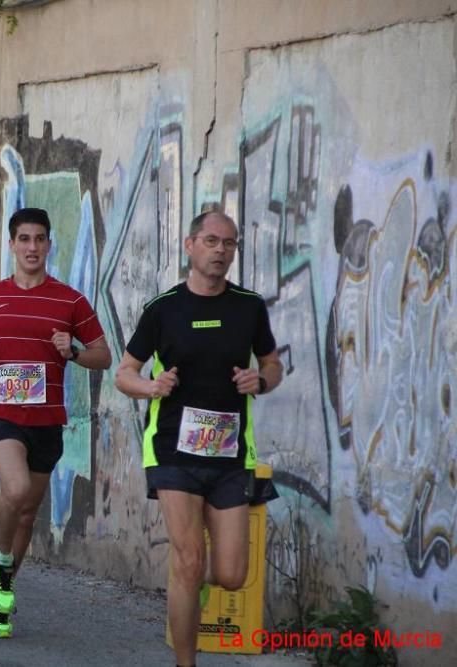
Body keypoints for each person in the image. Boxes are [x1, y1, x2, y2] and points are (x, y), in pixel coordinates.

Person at [114, 211, 283, 667]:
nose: (221, 250)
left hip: (229, 454)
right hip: (172, 449)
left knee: (230, 574)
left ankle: (186, 579)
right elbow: (124, 373)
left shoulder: (249, 307)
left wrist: (261, 381)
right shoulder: (164, 308)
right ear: (190, 245)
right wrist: (151, 387)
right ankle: (185, 662)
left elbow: (273, 365)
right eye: (212, 240)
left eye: (230, 243)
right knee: (189, 561)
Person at [0, 207, 111, 638]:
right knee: (16, 490)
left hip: (46, 421)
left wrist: (74, 350)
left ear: (49, 245)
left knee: (26, 515)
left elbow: (104, 355)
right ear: (11, 244)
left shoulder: (70, 300)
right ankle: (2, 566)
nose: (32, 248)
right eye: (24, 239)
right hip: (1, 413)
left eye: (40, 239)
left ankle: (0, 597)